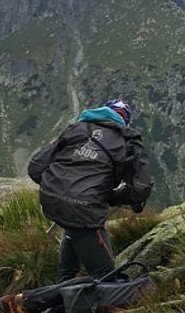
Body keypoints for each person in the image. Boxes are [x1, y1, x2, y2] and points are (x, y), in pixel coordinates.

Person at [28, 98, 153, 281]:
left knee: (70, 260)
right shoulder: (128, 141)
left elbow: (35, 168)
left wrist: (59, 187)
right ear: (126, 122)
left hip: (51, 201)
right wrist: (112, 197)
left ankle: (57, 300)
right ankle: (33, 302)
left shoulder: (76, 128)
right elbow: (141, 188)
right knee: (106, 277)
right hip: (85, 210)